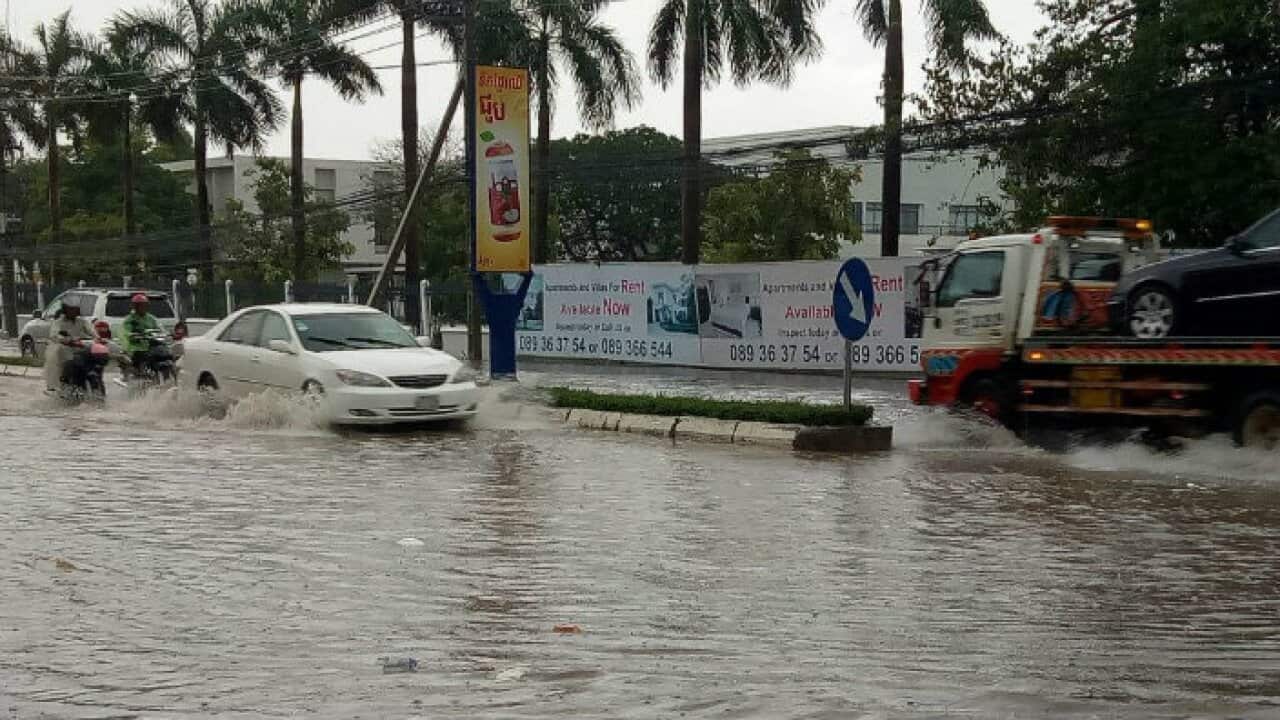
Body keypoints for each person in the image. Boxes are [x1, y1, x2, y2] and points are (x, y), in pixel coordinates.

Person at [43, 302, 101, 391]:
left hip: (79, 348)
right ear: (65, 310)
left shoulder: (82, 321)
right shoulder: (58, 322)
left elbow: (91, 330)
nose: (74, 311)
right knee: (54, 355)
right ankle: (54, 385)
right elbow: (54, 335)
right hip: (64, 348)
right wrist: (67, 340)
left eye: (75, 309)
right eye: (71, 309)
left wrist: (97, 338)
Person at [121, 293, 161, 378]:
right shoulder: (130, 319)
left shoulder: (151, 318)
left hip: (151, 346)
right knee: (140, 357)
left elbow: (160, 328)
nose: (143, 307)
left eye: (144, 305)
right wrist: (132, 335)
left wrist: (165, 333)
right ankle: (140, 373)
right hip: (136, 347)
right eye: (140, 305)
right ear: (135, 307)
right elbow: (126, 331)